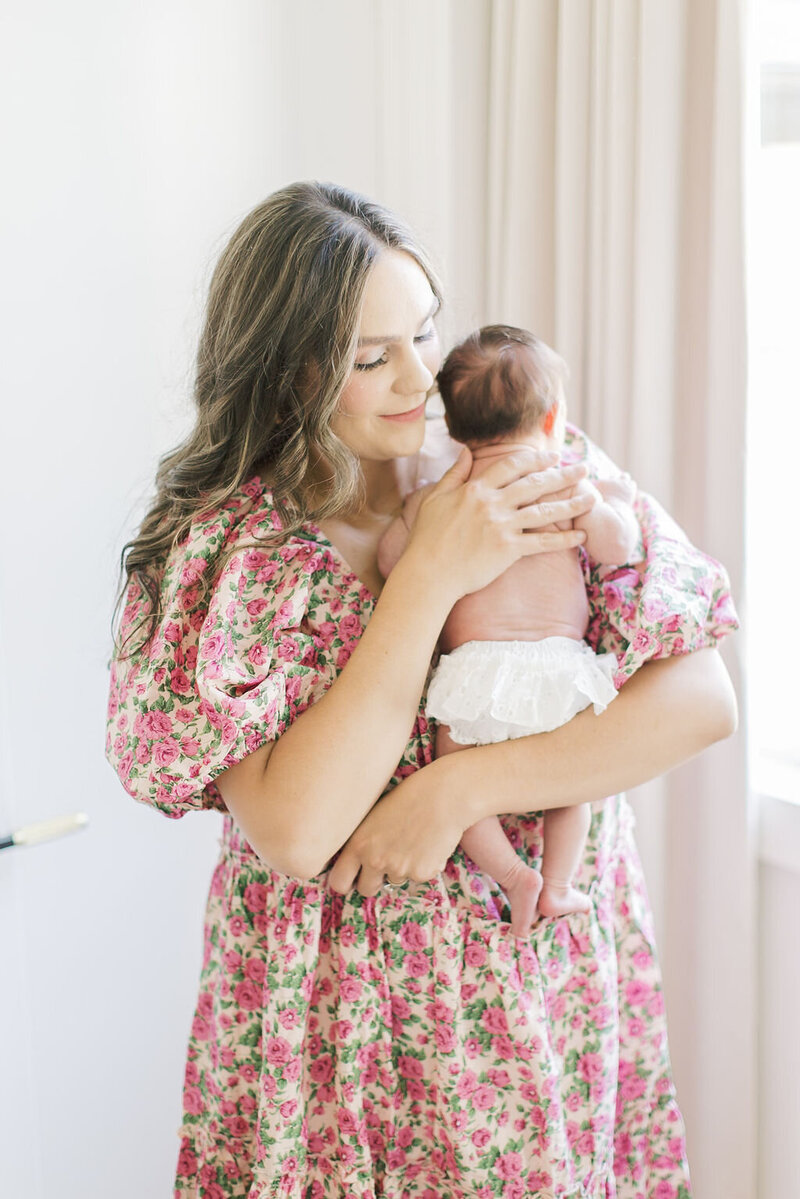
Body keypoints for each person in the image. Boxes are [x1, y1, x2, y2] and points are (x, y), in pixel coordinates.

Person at [107, 181, 738, 1199]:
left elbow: (698, 699)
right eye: (371, 357)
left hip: (538, 979)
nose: (420, 378)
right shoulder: (239, 549)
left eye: (424, 335)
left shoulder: (527, 462)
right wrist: (429, 577)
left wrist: (448, 793)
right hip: (344, 1029)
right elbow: (298, 830)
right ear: (287, 374)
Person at [377, 325, 643, 938]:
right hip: (559, 669)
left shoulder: (438, 499)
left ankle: (511, 876)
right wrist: (613, 502)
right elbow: (617, 548)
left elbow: (393, 563)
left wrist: (409, 518)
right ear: (552, 417)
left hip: (475, 673)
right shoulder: (564, 479)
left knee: (459, 787)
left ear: (453, 427)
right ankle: (557, 885)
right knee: (575, 786)